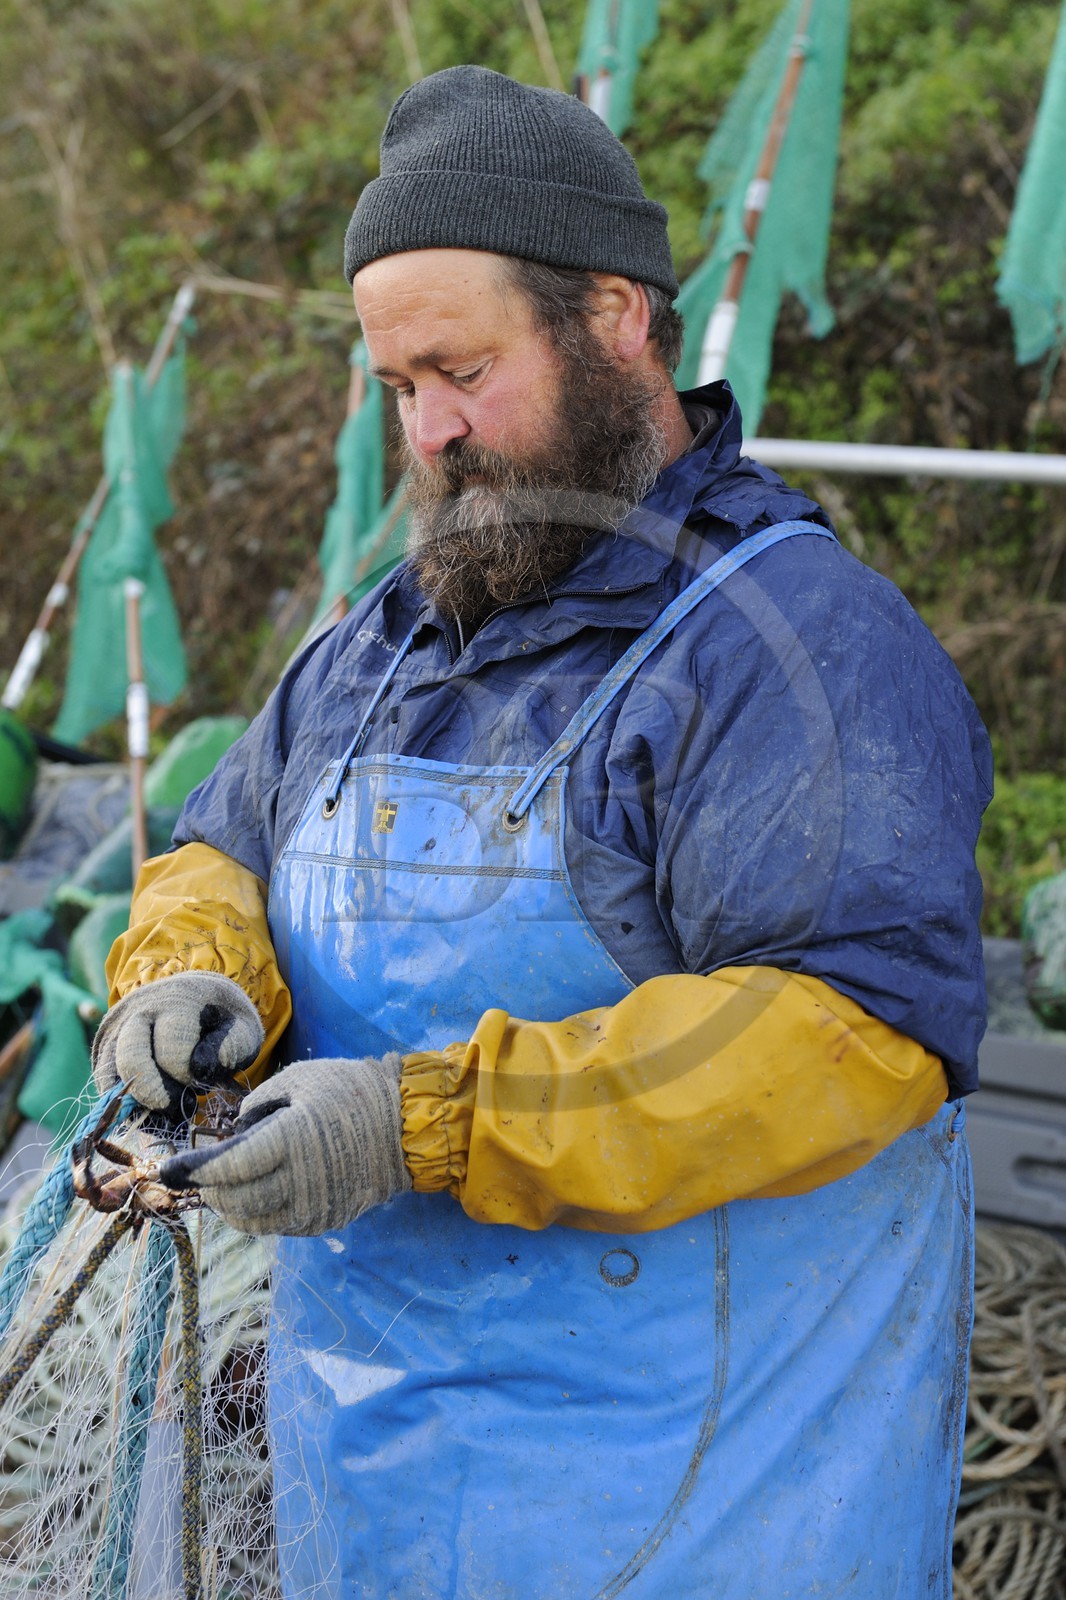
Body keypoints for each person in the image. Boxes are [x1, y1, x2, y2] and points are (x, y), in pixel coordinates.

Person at [93, 65, 992, 1598]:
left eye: (462, 371)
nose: (430, 432)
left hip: (707, 1523)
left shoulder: (795, 648)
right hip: (372, 1499)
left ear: (614, 317)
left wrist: (427, 1123)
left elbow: (847, 1039)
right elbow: (222, 843)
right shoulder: (384, 641)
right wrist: (192, 968)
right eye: (397, 389)